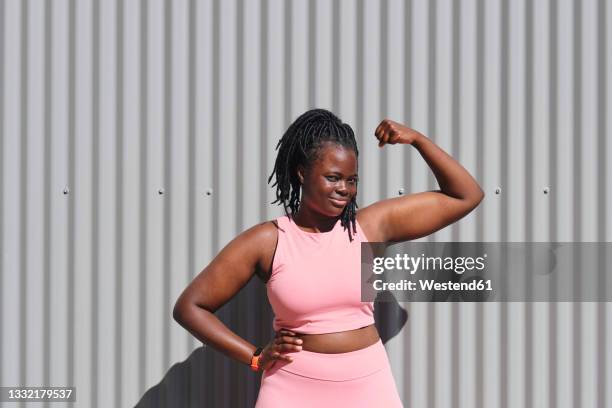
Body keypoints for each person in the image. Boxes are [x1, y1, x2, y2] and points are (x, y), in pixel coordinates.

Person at [173, 108, 484, 407]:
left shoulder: (370, 227)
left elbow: (466, 195)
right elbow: (191, 307)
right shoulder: (268, 241)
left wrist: (417, 139)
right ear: (302, 173)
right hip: (293, 386)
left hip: (367, 385)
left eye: (352, 180)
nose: (344, 189)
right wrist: (255, 357)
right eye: (333, 177)